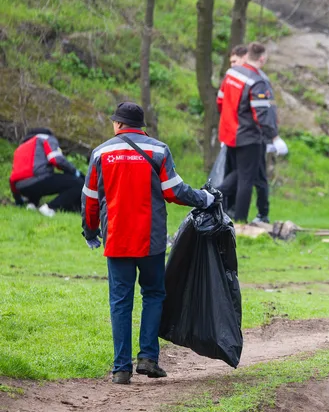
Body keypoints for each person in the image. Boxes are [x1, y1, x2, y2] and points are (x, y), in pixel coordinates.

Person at [81, 102, 214, 385]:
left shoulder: (101, 152)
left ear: (118, 125)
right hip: (150, 240)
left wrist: (91, 231)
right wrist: (204, 199)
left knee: (120, 301)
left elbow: (90, 199)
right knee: (153, 294)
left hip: (117, 238)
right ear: (142, 127)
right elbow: (174, 191)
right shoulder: (157, 150)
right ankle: (148, 359)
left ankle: (120, 369)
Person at [218, 42, 280, 222]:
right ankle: (240, 220)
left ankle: (220, 206)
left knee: (236, 173)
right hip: (248, 136)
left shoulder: (232, 73)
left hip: (229, 133)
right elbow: (262, 114)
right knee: (246, 179)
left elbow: (220, 101)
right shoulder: (257, 81)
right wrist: (273, 136)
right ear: (262, 58)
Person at [8, 128, 84, 216]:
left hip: (21, 187)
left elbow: (13, 177)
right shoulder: (45, 138)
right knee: (77, 183)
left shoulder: (20, 148)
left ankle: (31, 205)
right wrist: (75, 172)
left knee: (36, 177)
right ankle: (50, 208)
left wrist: (18, 200)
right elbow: (56, 159)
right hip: (38, 180)